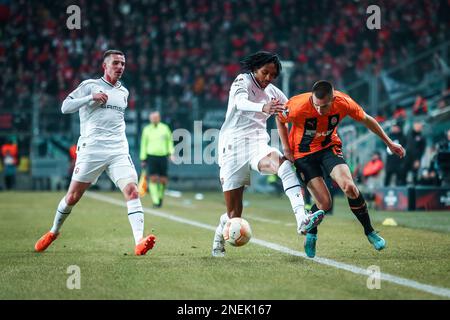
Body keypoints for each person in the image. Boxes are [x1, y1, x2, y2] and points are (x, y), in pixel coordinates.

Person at [34, 50, 156, 255]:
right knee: (73, 196)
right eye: (116, 63)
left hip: (118, 150)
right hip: (92, 150)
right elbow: (65, 107)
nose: (120, 67)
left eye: (123, 64)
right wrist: (90, 97)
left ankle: (138, 242)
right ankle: (53, 231)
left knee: (132, 191)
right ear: (105, 66)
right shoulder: (90, 86)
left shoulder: (124, 92)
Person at [212, 51, 325, 257]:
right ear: (255, 69)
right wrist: (263, 107)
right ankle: (220, 231)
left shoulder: (274, 92)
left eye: (272, 75)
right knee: (234, 216)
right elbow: (240, 103)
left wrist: (314, 112)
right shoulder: (242, 81)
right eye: (265, 73)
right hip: (233, 147)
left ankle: (302, 218)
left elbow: (291, 110)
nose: (268, 78)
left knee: (283, 166)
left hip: (258, 144)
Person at [277, 80, 405, 258]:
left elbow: (367, 120)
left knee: (350, 187)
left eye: (325, 106)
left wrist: (389, 143)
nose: (320, 110)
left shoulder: (343, 102)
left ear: (333, 97)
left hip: (329, 148)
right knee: (325, 204)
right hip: (303, 155)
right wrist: (286, 149)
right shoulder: (298, 105)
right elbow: (279, 118)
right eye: (317, 105)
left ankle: (370, 232)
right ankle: (312, 233)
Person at [140, 111, 174, 208]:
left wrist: (171, 153)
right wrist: (143, 158)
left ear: (159, 118)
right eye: (153, 117)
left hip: (163, 156)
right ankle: (155, 201)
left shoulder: (165, 128)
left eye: (156, 117)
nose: (154, 119)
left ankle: (160, 196)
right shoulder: (146, 130)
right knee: (153, 179)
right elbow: (143, 144)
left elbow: (170, 141)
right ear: (150, 119)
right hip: (151, 156)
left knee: (163, 180)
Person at [384, 121, 406, 186]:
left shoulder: (403, 137)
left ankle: (400, 193)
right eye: (393, 127)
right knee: (387, 178)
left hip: (399, 161)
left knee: (399, 179)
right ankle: (385, 192)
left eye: (395, 127)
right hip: (390, 161)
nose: (394, 128)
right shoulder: (389, 136)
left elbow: (405, 147)